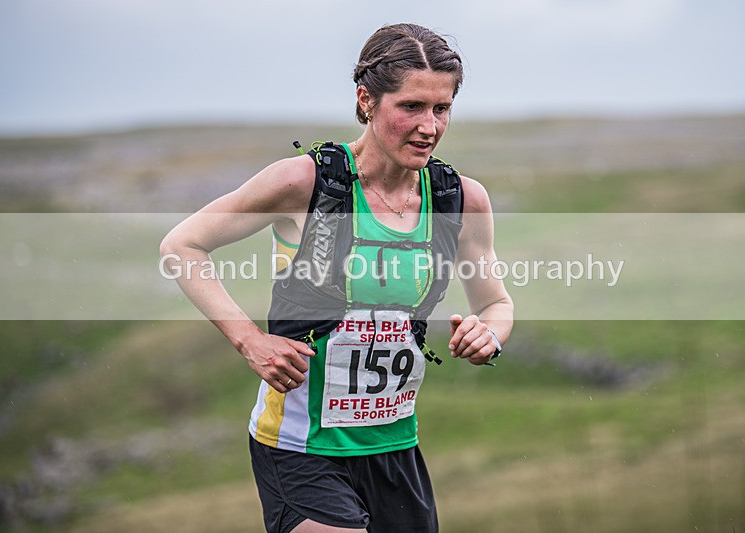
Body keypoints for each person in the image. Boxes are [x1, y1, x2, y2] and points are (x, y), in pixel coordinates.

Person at [160, 22, 513, 533]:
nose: (429, 126)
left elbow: (496, 304)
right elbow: (181, 246)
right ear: (367, 100)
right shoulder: (304, 182)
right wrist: (249, 340)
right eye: (412, 106)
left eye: (442, 108)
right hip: (300, 448)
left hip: (394, 448)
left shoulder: (460, 199)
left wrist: (489, 335)